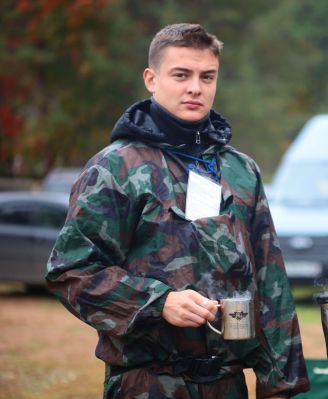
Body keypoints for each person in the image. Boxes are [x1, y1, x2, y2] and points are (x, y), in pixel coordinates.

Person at [46, 23, 309, 399]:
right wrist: (158, 302)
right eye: (181, 75)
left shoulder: (240, 170)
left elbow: (271, 283)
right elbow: (70, 271)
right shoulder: (116, 169)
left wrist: (281, 386)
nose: (195, 88)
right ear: (151, 79)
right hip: (148, 383)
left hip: (228, 384)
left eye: (207, 77)